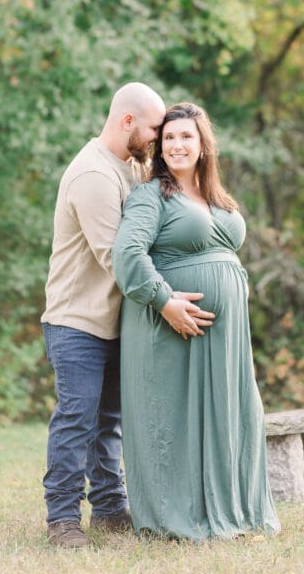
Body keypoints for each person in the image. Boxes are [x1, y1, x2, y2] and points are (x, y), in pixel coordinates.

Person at [40, 82, 211, 549]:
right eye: (156, 129)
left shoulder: (132, 167)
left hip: (117, 321)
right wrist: (166, 301)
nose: (160, 138)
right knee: (78, 419)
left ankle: (110, 508)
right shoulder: (93, 175)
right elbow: (118, 259)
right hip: (77, 321)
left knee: (109, 420)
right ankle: (62, 519)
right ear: (128, 122)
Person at [112, 101, 281, 541]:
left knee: (234, 413)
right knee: (177, 420)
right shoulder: (151, 196)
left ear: (203, 144)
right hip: (171, 329)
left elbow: (223, 254)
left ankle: (239, 510)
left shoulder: (218, 198)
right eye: (169, 137)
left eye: (186, 136)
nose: (176, 144)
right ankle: (177, 515)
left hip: (227, 335)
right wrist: (164, 301)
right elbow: (127, 256)